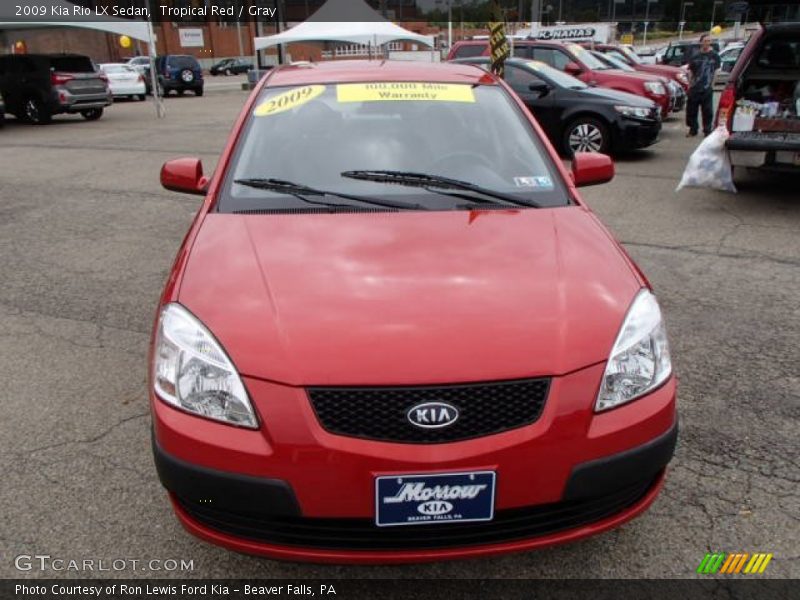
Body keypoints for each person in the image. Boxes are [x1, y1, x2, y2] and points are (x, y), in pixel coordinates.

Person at [686, 34, 721, 137]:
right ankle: (693, 129)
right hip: (695, 87)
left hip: (707, 88)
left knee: (707, 111)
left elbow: (716, 71)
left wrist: (712, 85)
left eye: (709, 41)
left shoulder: (714, 55)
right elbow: (690, 71)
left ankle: (707, 130)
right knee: (691, 110)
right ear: (701, 42)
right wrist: (690, 84)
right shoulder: (695, 56)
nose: (707, 43)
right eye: (705, 41)